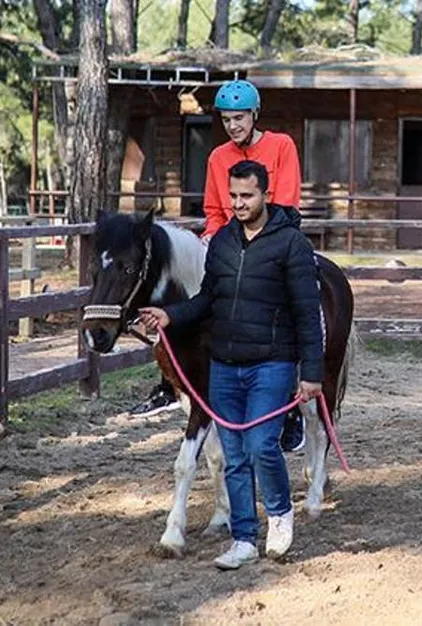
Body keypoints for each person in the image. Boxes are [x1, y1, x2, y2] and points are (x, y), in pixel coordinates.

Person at [139, 160, 323, 569]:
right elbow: (208, 298)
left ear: (265, 195)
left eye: (247, 196)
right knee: (234, 454)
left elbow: (307, 313)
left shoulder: (291, 244)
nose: (239, 204)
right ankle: (243, 538)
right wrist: (171, 316)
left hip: (271, 363)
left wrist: (311, 373)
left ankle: (279, 514)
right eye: (234, 196)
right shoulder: (223, 241)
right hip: (224, 363)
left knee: (261, 445)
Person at [128, 80, 308, 456]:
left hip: (275, 237)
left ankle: (292, 402)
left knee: (288, 303)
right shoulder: (217, 157)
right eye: (226, 120)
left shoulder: (281, 145)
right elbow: (213, 210)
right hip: (228, 242)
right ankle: (174, 379)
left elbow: (287, 202)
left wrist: (257, 242)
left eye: (239, 118)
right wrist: (214, 238)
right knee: (189, 289)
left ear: (254, 115)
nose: (233, 126)